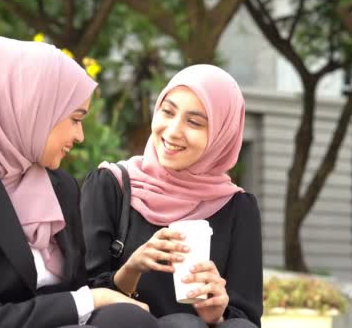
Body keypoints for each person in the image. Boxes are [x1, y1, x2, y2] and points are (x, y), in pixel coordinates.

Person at [0, 37, 158, 328]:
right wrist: (92, 299)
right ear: (30, 109)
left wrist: (131, 271)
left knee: (134, 320)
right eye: (75, 119)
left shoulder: (60, 185)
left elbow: (81, 290)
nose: (80, 136)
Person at [81, 65, 263, 328]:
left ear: (222, 135)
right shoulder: (112, 186)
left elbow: (247, 316)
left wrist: (217, 313)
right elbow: (83, 295)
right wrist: (132, 269)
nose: (173, 131)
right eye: (168, 112)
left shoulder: (237, 207)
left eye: (194, 122)